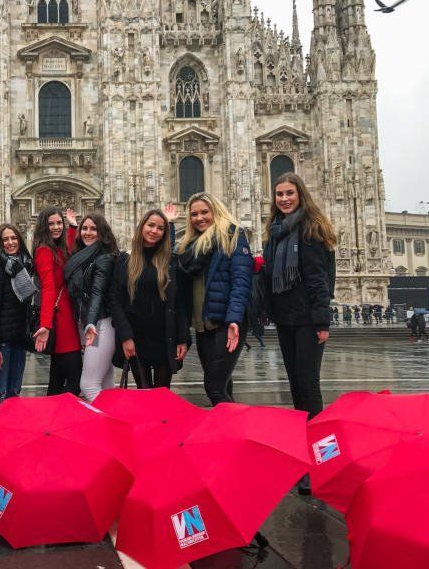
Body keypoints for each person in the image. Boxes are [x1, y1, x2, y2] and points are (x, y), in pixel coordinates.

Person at [263, 172, 336, 496]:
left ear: (300, 194)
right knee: (296, 387)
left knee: (309, 387)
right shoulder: (276, 233)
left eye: (289, 193)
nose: (284, 199)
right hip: (286, 319)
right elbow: (271, 273)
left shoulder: (309, 231)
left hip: (308, 320)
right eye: (279, 194)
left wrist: (322, 322)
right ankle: (307, 458)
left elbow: (320, 279)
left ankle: (322, 461)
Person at [176, 193, 252, 405]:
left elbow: (241, 281)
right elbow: (177, 269)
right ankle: (233, 434)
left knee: (214, 387)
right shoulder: (191, 247)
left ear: (215, 211)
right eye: (194, 214)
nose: (199, 218)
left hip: (226, 323)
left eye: (204, 212)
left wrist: (235, 319)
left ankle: (237, 432)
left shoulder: (233, 236)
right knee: (223, 385)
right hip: (203, 325)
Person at [107, 209, 190, 389]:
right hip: (136, 338)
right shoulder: (125, 260)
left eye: (160, 228)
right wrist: (125, 337)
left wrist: (182, 338)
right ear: (142, 226)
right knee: (143, 390)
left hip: (164, 337)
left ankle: (163, 419)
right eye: (151, 225)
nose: (154, 231)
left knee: (162, 393)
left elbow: (180, 303)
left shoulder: (171, 261)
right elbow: (115, 300)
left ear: (165, 233)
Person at [64, 212, 119, 402]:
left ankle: (110, 428)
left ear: (102, 232)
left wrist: (90, 323)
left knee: (88, 384)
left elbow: (97, 292)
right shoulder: (84, 256)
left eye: (93, 229)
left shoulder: (104, 258)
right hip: (90, 324)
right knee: (105, 384)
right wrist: (72, 227)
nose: (88, 232)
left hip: (99, 325)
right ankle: (114, 427)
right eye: (84, 228)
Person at [0, 223, 36, 413]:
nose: (10, 242)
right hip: (3, 342)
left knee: (14, 390)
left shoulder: (24, 266)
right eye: (5, 239)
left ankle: (10, 433)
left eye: (13, 238)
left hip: (19, 339)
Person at [32, 207, 82, 395]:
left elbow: (67, 253)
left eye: (59, 223)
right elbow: (48, 288)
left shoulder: (57, 249)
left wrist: (73, 227)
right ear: (43, 226)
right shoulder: (44, 251)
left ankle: (51, 418)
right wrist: (46, 324)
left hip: (66, 313)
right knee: (75, 379)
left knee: (57, 376)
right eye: (51, 223)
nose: (56, 227)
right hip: (60, 319)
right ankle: (65, 418)